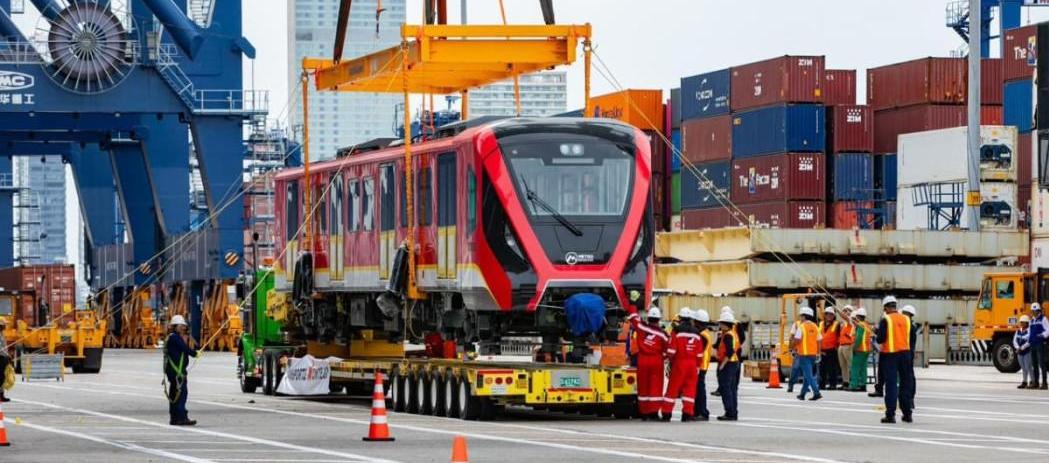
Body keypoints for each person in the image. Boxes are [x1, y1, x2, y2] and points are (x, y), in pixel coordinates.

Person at [876, 296, 914, 424]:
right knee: (905, 384)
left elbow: (880, 339)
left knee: (891, 385)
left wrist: (876, 332)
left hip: (890, 355)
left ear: (885, 307)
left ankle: (890, 415)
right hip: (905, 354)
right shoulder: (906, 319)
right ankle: (907, 414)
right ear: (895, 306)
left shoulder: (885, 319)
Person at [628, 307, 669, 420]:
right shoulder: (663, 334)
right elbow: (669, 350)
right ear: (658, 320)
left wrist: (633, 304)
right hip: (656, 361)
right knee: (655, 387)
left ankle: (643, 413)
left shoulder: (641, 327)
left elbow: (633, 317)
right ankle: (653, 413)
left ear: (649, 318)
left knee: (643, 386)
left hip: (642, 360)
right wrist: (663, 357)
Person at [662, 309, 702, 422]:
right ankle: (687, 414)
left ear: (680, 318)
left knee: (673, 389)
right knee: (690, 390)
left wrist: (668, 360)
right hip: (693, 365)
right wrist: (697, 367)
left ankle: (666, 413)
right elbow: (699, 354)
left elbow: (671, 350)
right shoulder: (697, 333)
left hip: (680, 363)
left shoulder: (677, 331)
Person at [165, 315, 198, 426]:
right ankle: (181, 417)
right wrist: (195, 353)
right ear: (175, 326)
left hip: (173, 371)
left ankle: (174, 418)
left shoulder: (171, 337)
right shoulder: (174, 338)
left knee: (175, 394)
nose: (183, 328)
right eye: (181, 326)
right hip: (177, 371)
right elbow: (184, 349)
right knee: (181, 394)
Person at [714, 310, 740, 421]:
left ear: (725, 324)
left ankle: (729, 412)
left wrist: (722, 364)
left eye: (721, 324)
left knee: (725, 388)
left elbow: (729, 351)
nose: (720, 325)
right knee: (732, 389)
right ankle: (733, 412)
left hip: (728, 364)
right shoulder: (732, 334)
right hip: (735, 363)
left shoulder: (728, 336)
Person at [793, 306, 822, 401]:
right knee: (807, 375)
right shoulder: (815, 326)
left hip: (803, 355)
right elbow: (819, 341)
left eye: (801, 316)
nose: (800, 318)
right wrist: (818, 353)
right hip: (813, 355)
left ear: (804, 317)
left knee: (808, 375)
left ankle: (817, 392)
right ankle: (802, 394)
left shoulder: (801, 327)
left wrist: (793, 348)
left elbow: (797, 339)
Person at [693, 309, 714, 421]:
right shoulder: (706, 333)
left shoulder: (702, 335)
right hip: (702, 365)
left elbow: (697, 351)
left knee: (699, 390)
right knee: (698, 389)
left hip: (700, 366)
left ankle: (702, 412)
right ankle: (699, 411)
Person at [849, 307, 873, 392]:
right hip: (866, 350)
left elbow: (858, 338)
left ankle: (854, 385)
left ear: (858, 317)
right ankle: (863, 385)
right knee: (863, 368)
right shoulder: (867, 325)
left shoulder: (860, 325)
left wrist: (854, 348)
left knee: (855, 368)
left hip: (859, 349)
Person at [900, 304, 918, 408]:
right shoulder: (912, 325)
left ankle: (909, 399)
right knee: (910, 375)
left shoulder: (908, 326)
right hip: (909, 352)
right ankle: (910, 398)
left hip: (905, 353)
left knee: (907, 376)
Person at [818, 307, 840, 390]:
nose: (829, 316)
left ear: (834, 316)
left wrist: (837, 347)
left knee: (832, 368)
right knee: (822, 368)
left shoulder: (836, 324)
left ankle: (832, 384)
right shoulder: (820, 324)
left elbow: (839, 336)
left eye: (831, 314)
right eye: (827, 314)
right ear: (825, 315)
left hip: (832, 349)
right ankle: (822, 384)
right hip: (822, 349)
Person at [786, 310, 806, 394]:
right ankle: (791, 385)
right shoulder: (797, 324)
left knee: (807, 370)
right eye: (801, 315)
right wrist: (791, 349)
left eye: (804, 316)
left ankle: (806, 386)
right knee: (795, 368)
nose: (802, 317)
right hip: (798, 351)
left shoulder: (810, 325)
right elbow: (792, 337)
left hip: (807, 351)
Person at [1031, 304, 1049, 389]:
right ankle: (1036, 382)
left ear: (1038, 310)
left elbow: (1048, 330)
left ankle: (1044, 383)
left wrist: (1042, 335)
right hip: (1033, 344)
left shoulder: (1043, 319)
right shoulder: (1032, 320)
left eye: (1035, 311)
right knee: (1034, 364)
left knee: (1042, 364)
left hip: (1040, 344)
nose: (1034, 312)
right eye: (1033, 311)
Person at [837, 306, 855, 390]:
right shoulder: (843, 324)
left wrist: (838, 310)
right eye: (844, 310)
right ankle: (846, 382)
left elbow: (846, 317)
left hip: (848, 345)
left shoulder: (850, 321)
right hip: (841, 345)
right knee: (843, 365)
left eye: (847, 311)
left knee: (850, 365)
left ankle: (854, 382)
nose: (846, 312)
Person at [1015, 315, 1033, 389]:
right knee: (1023, 367)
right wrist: (1017, 347)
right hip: (1020, 352)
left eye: (1023, 322)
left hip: (1027, 351)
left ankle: (1032, 380)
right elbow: (1014, 340)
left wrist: (1022, 348)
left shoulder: (1029, 331)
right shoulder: (1018, 331)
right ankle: (1024, 381)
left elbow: (1029, 341)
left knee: (1028, 367)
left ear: (1027, 323)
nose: (1021, 324)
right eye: (1021, 322)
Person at [0, 318, 10, 402]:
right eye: (4, 325)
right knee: (0, 377)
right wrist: (6, 355)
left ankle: (1, 395)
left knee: (3, 377)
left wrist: (7, 355)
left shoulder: (2, 334)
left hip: (3, 357)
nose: (5, 326)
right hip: (0, 357)